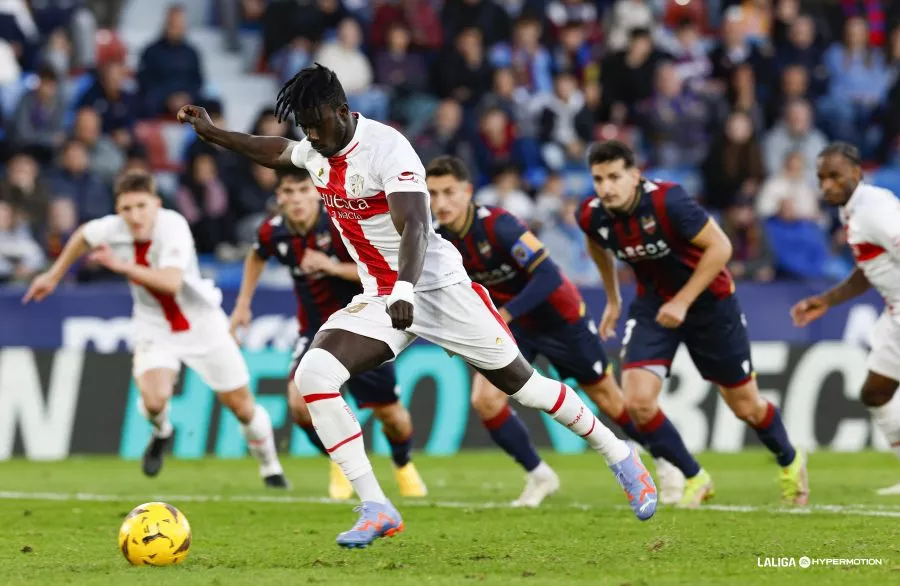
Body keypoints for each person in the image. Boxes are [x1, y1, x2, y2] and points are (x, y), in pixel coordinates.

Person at [177, 64, 657, 548]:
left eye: (320, 126)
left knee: (525, 387)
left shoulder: (388, 148)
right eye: (307, 129)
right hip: (381, 297)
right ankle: (375, 506)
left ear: (343, 111)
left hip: (438, 289)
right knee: (313, 376)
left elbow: (416, 226)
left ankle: (620, 455)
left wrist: (406, 289)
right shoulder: (317, 147)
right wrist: (213, 133)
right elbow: (278, 151)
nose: (314, 137)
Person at [426, 155, 685, 506]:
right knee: (485, 401)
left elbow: (547, 274)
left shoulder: (499, 226)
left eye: (449, 192)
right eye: (433, 194)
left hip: (560, 320)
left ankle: (663, 461)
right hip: (513, 328)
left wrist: (505, 312)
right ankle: (539, 475)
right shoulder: (438, 241)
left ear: (468, 191)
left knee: (609, 399)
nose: (441, 203)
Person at [577, 140, 808, 508]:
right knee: (638, 402)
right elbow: (595, 246)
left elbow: (721, 248)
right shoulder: (592, 215)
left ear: (635, 176)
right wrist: (613, 299)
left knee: (746, 406)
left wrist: (683, 300)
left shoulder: (670, 202)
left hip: (709, 305)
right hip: (654, 305)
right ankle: (694, 476)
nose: (606, 187)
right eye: (598, 179)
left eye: (615, 177)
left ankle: (791, 460)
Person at [22, 170, 287, 488]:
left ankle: (270, 467)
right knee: (154, 401)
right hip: (154, 325)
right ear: (118, 210)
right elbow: (83, 235)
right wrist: (53, 275)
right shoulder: (111, 228)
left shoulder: (173, 226)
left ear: (156, 204)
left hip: (202, 323)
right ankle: (162, 431)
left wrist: (122, 267)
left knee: (242, 407)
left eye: (141, 206)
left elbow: (171, 282)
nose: (134, 216)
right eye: (126, 208)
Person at [230, 167, 427, 500]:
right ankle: (344, 462)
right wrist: (243, 303)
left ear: (316, 193)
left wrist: (331, 266)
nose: (295, 200)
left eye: (302, 191)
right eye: (288, 193)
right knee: (299, 405)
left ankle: (403, 463)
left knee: (391, 416)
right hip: (316, 330)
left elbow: (381, 267)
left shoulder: (339, 225)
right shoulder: (274, 232)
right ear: (279, 198)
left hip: (364, 325)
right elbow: (256, 255)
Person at [792, 142, 900, 495]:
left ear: (856, 172)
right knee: (876, 392)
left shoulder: (875, 208)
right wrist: (827, 300)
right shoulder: (852, 210)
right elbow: (869, 267)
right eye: (821, 178)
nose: (826, 186)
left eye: (835, 176)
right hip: (894, 313)